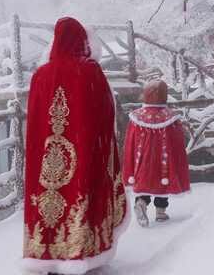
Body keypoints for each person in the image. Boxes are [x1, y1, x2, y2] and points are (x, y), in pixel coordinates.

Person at [21, 17, 128, 275]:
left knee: (49, 197)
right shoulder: (90, 71)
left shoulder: (40, 76)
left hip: (46, 156)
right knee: (80, 190)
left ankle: (46, 251)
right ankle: (80, 251)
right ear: (82, 40)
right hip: (83, 148)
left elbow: (33, 122)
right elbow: (106, 114)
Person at [123, 80, 190, 227]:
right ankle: (160, 212)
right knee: (163, 181)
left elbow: (130, 142)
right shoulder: (171, 118)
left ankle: (141, 203)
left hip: (142, 160)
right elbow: (177, 144)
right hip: (163, 160)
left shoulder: (136, 117)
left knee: (143, 180)